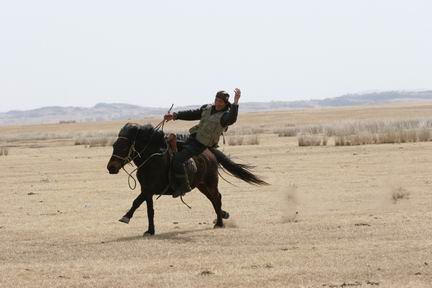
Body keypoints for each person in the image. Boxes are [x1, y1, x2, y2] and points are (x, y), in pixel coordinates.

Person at [164, 88, 241, 198]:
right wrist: (175, 116)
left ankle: (183, 186)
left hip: (201, 145)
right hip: (192, 138)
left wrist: (236, 102)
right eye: (216, 100)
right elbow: (192, 114)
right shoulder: (207, 108)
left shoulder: (225, 116)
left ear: (225, 104)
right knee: (168, 144)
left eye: (221, 102)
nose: (218, 103)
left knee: (177, 159)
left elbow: (232, 119)